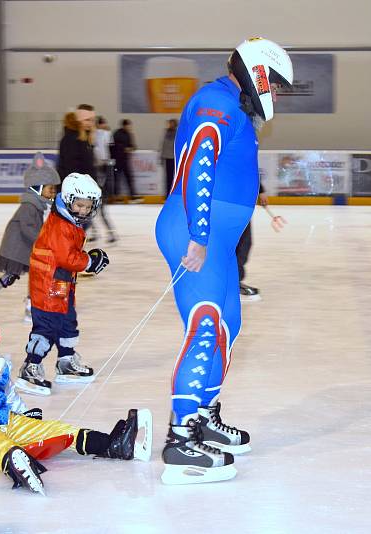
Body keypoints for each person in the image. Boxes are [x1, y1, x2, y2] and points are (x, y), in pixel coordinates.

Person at [154, 37, 293, 485]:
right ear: (257, 73)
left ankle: (203, 416)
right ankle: (180, 440)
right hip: (199, 233)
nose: (278, 92)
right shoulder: (216, 103)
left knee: (227, 325)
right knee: (207, 324)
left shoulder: (232, 106)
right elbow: (200, 165)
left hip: (216, 237)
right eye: (276, 83)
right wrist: (198, 236)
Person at [0, 309, 149, 495]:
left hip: (5, 417)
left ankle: (111, 445)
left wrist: (24, 413)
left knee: (55, 429)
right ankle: (15, 461)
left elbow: (10, 396)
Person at [15, 173, 110, 396]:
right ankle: (31, 367)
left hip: (61, 285)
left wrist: (86, 258)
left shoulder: (70, 222)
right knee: (47, 327)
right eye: (79, 205)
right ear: (68, 200)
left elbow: (68, 255)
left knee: (67, 322)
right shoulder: (60, 225)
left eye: (88, 207)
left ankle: (66, 363)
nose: (84, 211)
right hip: (47, 287)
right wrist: (89, 261)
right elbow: (66, 257)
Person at [0, 152, 60, 321]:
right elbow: (27, 228)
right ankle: (27, 308)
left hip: (22, 247)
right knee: (21, 275)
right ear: (37, 187)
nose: (52, 193)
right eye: (50, 189)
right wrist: (43, 241)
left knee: (17, 276)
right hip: (18, 247)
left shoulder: (36, 205)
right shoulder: (30, 206)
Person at [235, 185, 268, 302]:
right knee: (240, 243)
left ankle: (231, 281)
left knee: (242, 243)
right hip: (232, 201)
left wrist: (260, 190)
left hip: (235, 200)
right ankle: (232, 283)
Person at [89, 116, 117, 244]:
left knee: (94, 209)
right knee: (98, 209)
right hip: (102, 170)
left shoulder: (94, 135)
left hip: (97, 172)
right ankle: (109, 233)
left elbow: (99, 151)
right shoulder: (106, 133)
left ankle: (100, 232)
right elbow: (109, 150)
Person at [57, 105, 96, 182]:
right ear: (78, 120)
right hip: (75, 188)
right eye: (87, 120)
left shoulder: (85, 138)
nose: (90, 124)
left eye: (92, 120)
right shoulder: (71, 139)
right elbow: (71, 167)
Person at [112, 119, 141, 203]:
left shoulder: (129, 134)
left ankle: (132, 196)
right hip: (117, 160)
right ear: (124, 125)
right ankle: (116, 197)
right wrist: (123, 149)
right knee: (117, 179)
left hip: (125, 160)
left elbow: (133, 146)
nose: (130, 127)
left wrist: (131, 148)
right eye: (128, 126)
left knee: (129, 178)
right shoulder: (117, 134)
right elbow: (114, 146)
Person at [159, 119, 178, 196]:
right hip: (167, 157)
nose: (169, 125)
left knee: (176, 177)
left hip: (175, 158)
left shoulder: (177, 132)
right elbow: (163, 145)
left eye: (171, 123)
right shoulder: (166, 132)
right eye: (169, 123)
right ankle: (168, 194)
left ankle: (174, 193)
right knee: (168, 177)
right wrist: (161, 156)